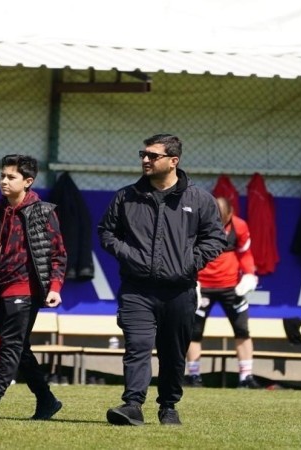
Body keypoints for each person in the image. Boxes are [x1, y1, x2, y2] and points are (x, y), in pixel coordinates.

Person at [98, 134, 226, 426]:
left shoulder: (200, 199)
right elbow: (106, 232)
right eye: (143, 154)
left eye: (153, 156)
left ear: (173, 161)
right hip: (137, 289)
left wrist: (189, 262)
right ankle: (132, 405)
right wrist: (130, 255)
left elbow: (216, 238)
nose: (145, 159)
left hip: (180, 290)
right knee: (137, 345)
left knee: (173, 353)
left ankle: (168, 406)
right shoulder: (126, 196)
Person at [0, 154, 67, 421]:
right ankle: (47, 400)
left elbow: (58, 254)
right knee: (20, 349)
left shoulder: (44, 212)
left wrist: (55, 287)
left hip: (26, 290)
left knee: (9, 346)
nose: (4, 181)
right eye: (2, 175)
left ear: (28, 181)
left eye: (11, 177)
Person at [186, 197, 261, 389]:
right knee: (194, 331)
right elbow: (186, 254)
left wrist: (249, 275)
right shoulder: (196, 224)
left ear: (231, 213)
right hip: (202, 286)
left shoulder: (239, 226)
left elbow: (245, 253)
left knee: (242, 329)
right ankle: (193, 376)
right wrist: (191, 279)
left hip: (232, 287)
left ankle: (246, 377)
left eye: (223, 219)